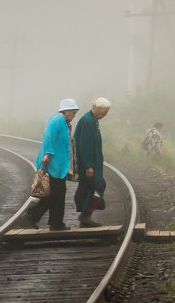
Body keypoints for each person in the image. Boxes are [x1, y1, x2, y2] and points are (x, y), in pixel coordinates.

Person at [24, 99, 79, 231]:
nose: (74, 115)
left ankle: (33, 216)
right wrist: (48, 153)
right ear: (65, 111)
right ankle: (55, 223)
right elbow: (48, 136)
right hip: (53, 165)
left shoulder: (64, 123)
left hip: (58, 165)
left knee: (52, 194)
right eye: (73, 112)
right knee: (58, 194)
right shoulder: (57, 120)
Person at [74, 98, 111, 228]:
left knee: (92, 187)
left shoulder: (92, 120)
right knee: (97, 185)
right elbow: (85, 145)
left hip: (92, 163)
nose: (105, 114)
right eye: (105, 111)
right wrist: (88, 165)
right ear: (97, 108)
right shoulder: (88, 121)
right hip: (88, 164)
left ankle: (86, 216)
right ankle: (85, 214)